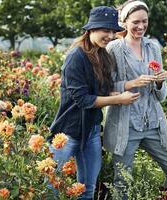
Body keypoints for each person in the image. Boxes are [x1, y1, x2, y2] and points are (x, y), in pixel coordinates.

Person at [47, 6, 140, 199]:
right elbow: (83, 99)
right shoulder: (76, 57)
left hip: (90, 132)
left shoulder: (102, 55)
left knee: (87, 189)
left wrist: (111, 92)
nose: (110, 35)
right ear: (91, 29)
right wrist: (117, 99)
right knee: (52, 188)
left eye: (113, 31)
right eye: (105, 30)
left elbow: (98, 89)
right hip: (68, 133)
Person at [103, 0, 167, 199]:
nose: (141, 26)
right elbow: (104, 88)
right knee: (122, 183)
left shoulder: (153, 47)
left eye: (144, 22)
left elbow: (161, 96)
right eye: (136, 22)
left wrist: (159, 83)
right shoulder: (114, 48)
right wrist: (132, 83)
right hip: (126, 125)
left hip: (153, 123)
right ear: (124, 22)